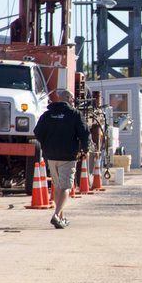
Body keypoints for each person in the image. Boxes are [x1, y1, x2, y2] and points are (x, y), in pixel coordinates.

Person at [34, 89, 90, 228]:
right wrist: (85, 149)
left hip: (51, 156)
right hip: (67, 156)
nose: (73, 101)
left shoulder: (47, 115)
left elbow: (37, 132)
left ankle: (61, 217)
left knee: (58, 186)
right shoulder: (75, 114)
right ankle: (56, 214)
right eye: (71, 98)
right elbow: (84, 133)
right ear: (68, 98)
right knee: (65, 187)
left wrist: (46, 145)